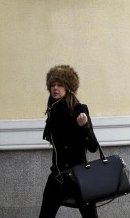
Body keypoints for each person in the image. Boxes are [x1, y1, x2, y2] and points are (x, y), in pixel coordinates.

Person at [39, 65, 99, 218]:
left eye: (59, 84)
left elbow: (93, 147)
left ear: (68, 87)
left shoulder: (79, 109)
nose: (55, 88)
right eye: (52, 85)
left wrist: (84, 127)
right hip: (58, 177)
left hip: (78, 177)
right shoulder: (53, 111)